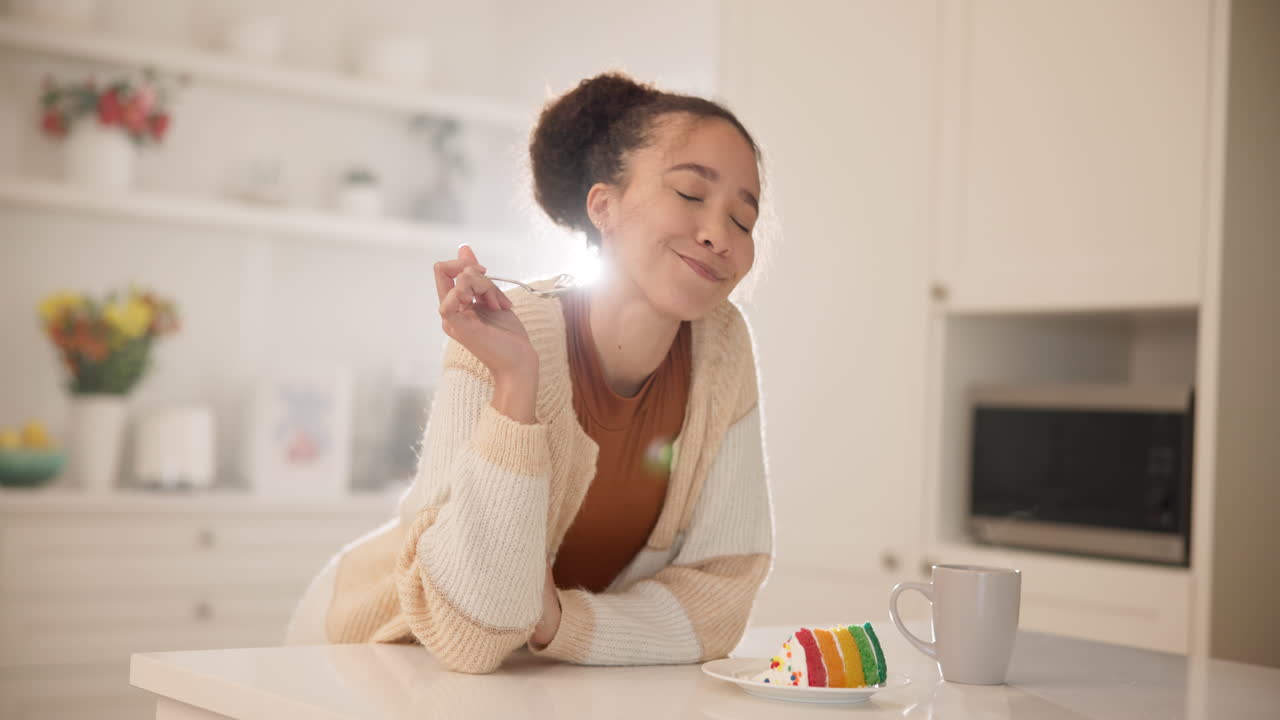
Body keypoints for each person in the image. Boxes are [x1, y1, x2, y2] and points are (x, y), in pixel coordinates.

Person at [284, 71, 774, 674]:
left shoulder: (724, 347)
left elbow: (722, 596)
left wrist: (560, 622)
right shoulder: (501, 335)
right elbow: (473, 633)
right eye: (691, 195)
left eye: (743, 221)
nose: (717, 235)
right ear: (604, 206)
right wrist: (516, 387)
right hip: (363, 660)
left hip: (533, 681)